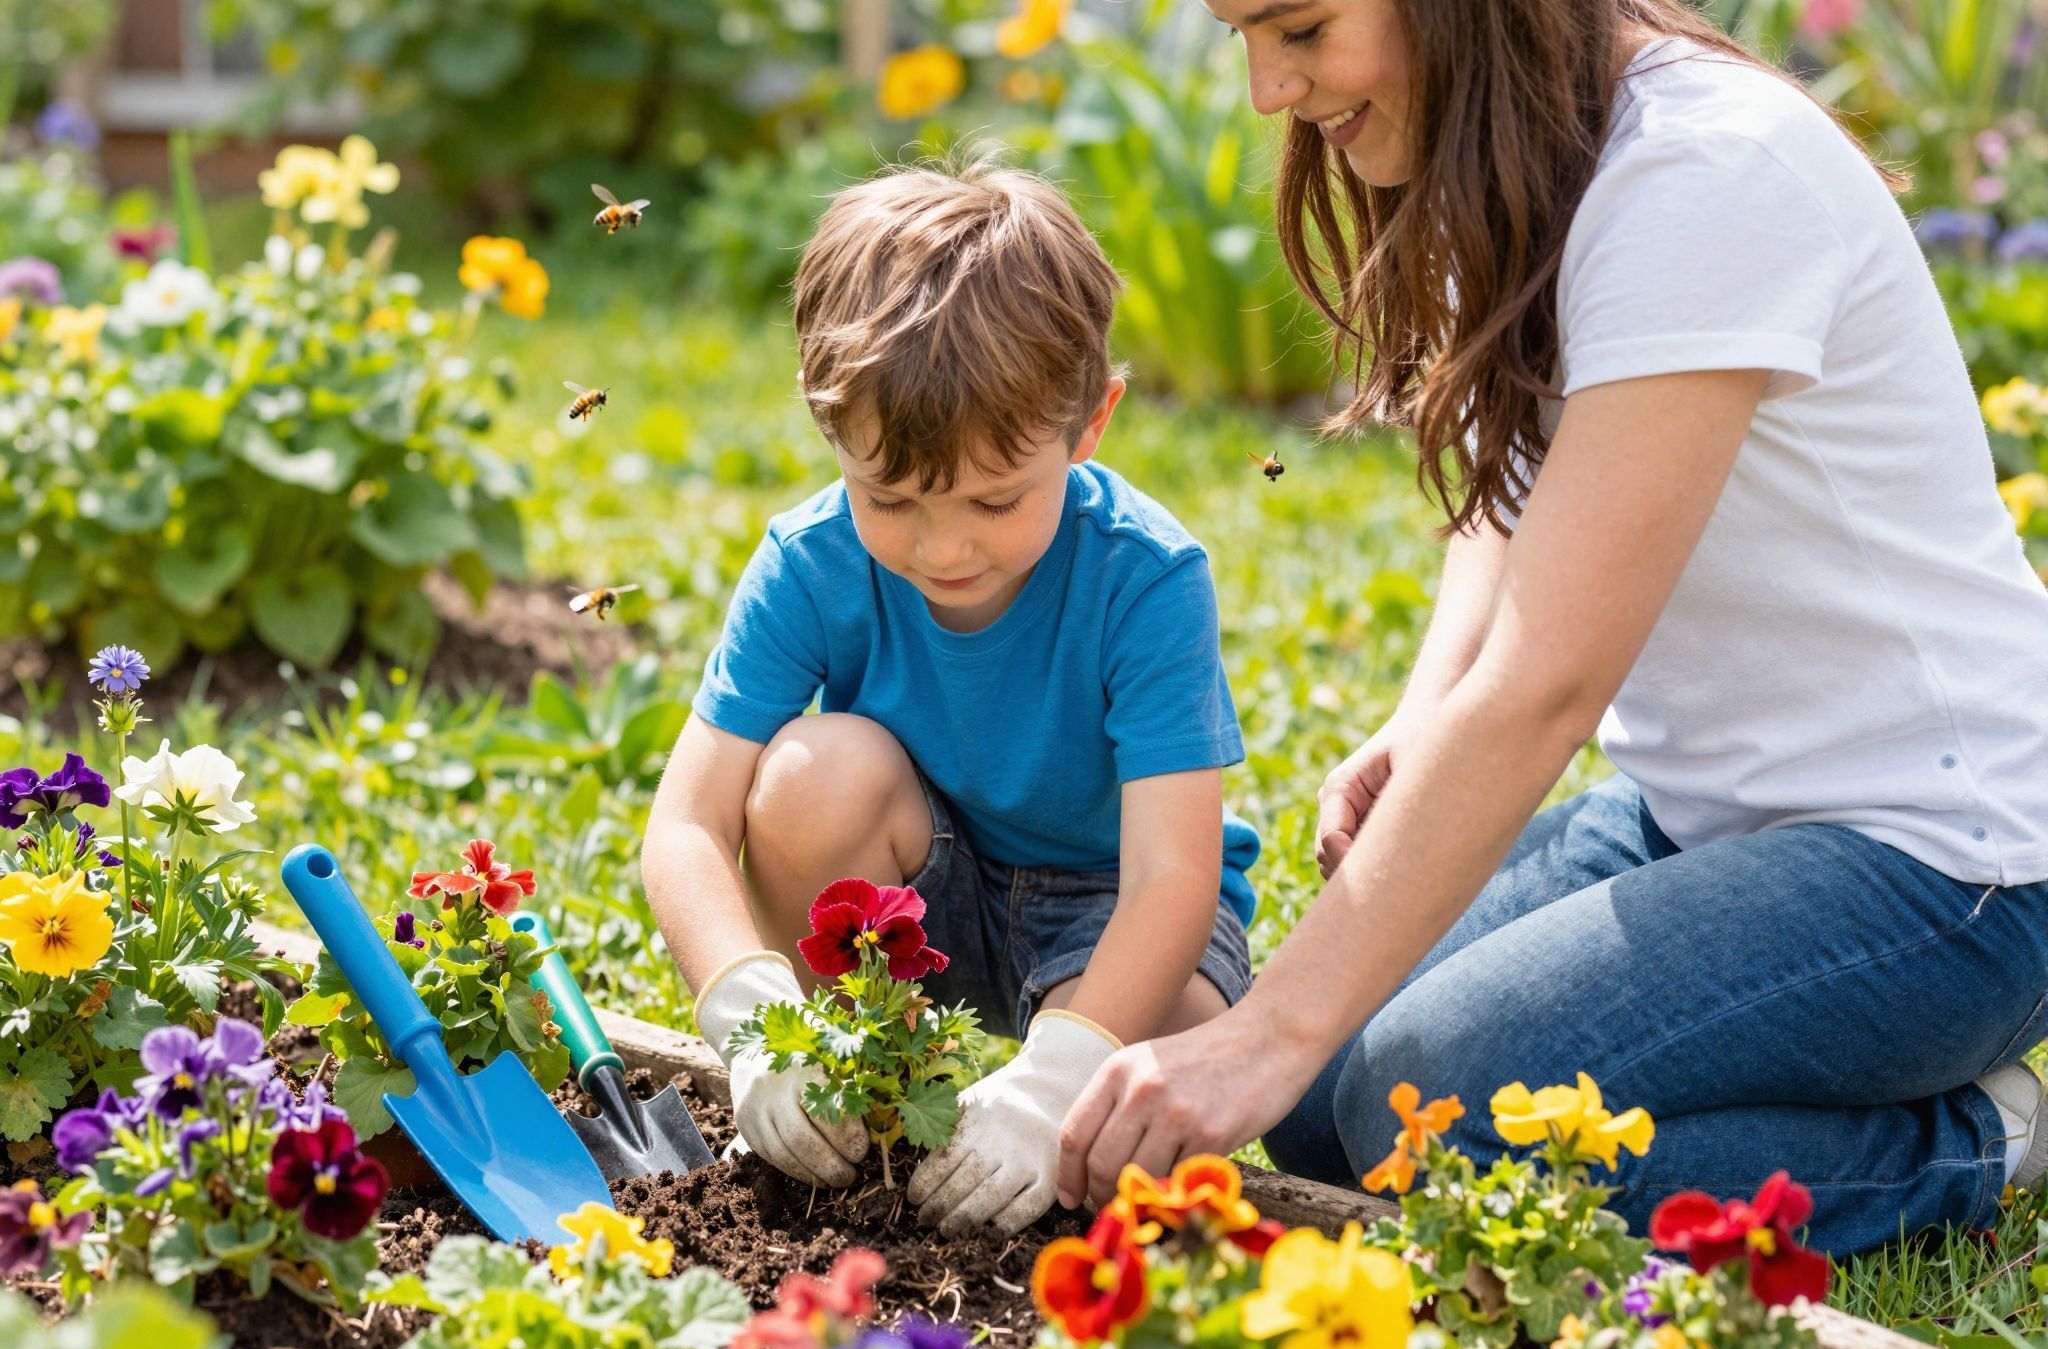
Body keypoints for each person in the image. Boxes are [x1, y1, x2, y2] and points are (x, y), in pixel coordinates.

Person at [1055, 0, 2048, 1254]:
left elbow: (1548, 683)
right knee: (1321, 1111)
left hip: (1950, 864)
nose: (1266, 89)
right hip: (1700, 816)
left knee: (1438, 1118)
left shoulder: (1701, 173)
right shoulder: (1507, 148)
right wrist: (1424, 715)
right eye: (1240, 35)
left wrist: (1264, 1033)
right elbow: (1515, 497)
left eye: (1299, 28)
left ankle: (1980, 1141)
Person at [641, 159, 1260, 1236]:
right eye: (889, 498)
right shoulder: (809, 562)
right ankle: (844, 1087)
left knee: (1152, 1080)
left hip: (1114, 906)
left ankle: (1041, 1072)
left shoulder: (1144, 576)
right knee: (806, 777)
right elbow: (686, 823)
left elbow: (1173, 879)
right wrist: (749, 1022)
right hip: (926, 885)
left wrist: (1058, 1077)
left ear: (1090, 424)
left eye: (994, 501)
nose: (943, 549)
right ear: (828, 428)